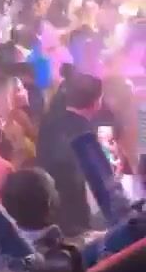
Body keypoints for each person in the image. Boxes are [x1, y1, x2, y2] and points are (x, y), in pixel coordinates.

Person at [36, 72, 103, 236]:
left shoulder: (49, 121)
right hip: (77, 217)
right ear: (96, 102)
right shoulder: (84, 134)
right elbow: (96, 180)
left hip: (50, 209)